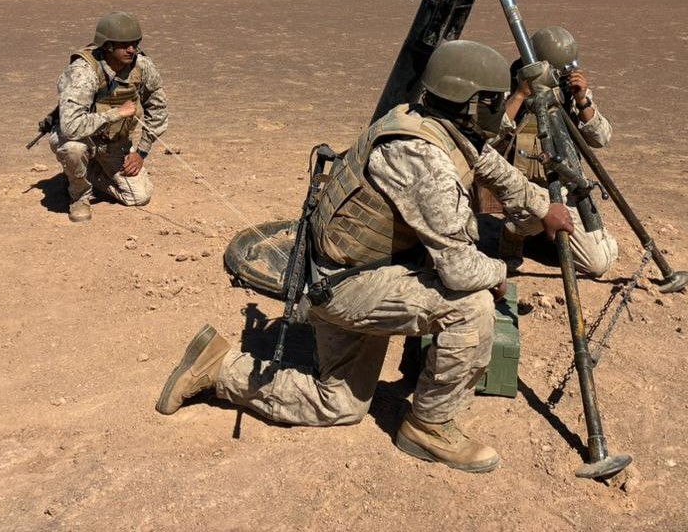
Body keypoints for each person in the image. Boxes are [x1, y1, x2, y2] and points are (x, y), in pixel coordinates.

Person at [155, 40, 572, 473]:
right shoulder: (421, 158)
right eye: (493, 101)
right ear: (471, 104)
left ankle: (219, 368)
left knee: (339, 405)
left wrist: (542, 207)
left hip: (343, 274)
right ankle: (429, 427)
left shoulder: (423, 120)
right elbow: (460, 270)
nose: (499, 109)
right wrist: (497, 272)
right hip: (347, 286)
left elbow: (483, 161)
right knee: (471, 305)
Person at [500, 26, 618, 277]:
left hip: (565, 190)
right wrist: (520, 95)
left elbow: (601, 138)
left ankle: (546, 237)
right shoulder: (509, 90)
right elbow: (490, 139)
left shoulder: (568, 93)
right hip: (523, 192)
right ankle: (514, 232)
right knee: (530, 213)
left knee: (598, 263)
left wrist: (582, 101)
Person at [49, 12, 168, 223]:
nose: (131, 50)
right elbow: (71, 127)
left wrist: (141, 152)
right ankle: (79, 195)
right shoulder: (83, 72)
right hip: (80, 138)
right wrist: (116, 113)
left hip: (114, 144)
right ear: (108, 46)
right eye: (124, 45)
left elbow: (158, 110)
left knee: (139, 196)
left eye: (135, 43)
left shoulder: (142, 66)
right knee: (74, 150)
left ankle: (88, 174)